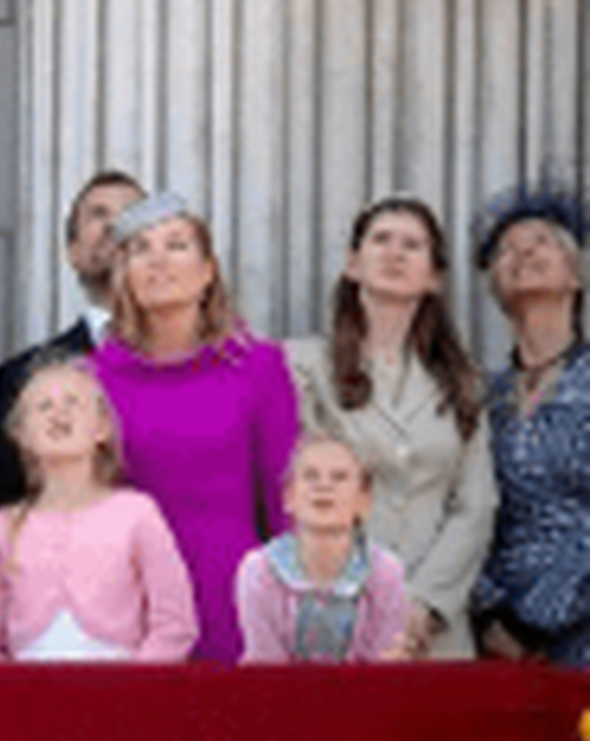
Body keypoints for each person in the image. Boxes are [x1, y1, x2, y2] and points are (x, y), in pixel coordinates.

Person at [89, 191, 297, 661]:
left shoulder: (260, 367)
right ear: (125, 278)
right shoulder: (93, 379)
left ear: (208, 272)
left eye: (177, 245)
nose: (159, 259)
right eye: (141, 249)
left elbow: (286, 502)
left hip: (235, 602)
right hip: (126, 607)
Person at [284, 196, 493, 658]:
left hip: (434, 633)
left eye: (412, 245)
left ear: (434, 277)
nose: (395, 253)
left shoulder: (463, 382)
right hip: (337, 617)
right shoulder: (304, 368)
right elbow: (306, 492)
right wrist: (371, 602)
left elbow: (475, 506)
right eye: (381, 240)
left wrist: (422, 604)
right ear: (353, 264)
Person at [0, 359, 197, 661]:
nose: (58, 413)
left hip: (122, 693)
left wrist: (137, 688)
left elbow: (175, 625)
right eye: (44, 406)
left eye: (72, 402)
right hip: (28, 696)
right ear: (21, 434)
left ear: (101, 428)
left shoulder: (137, 514)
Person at [471, 185, 590, 663]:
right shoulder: (484, 394)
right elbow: (466, 509)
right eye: (506, 250)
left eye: (542, 241)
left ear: (576, 274)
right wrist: (490, 615)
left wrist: (538, 620)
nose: (523, 253)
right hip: (501, 643)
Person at [0, 170, 144, 510]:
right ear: (73, 252)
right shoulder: (20, 377)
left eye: (131, 215)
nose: (115, 226)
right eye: (98, 215)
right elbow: (6, 510)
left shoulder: (208, 361)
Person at [236, 435, 411, 663]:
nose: (323, 486)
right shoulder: (259, 570)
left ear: (364, 500)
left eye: (339, 477)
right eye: (311, 476)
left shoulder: (386, 573)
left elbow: (383, 667)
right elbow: (266, 666)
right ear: (288, 497)